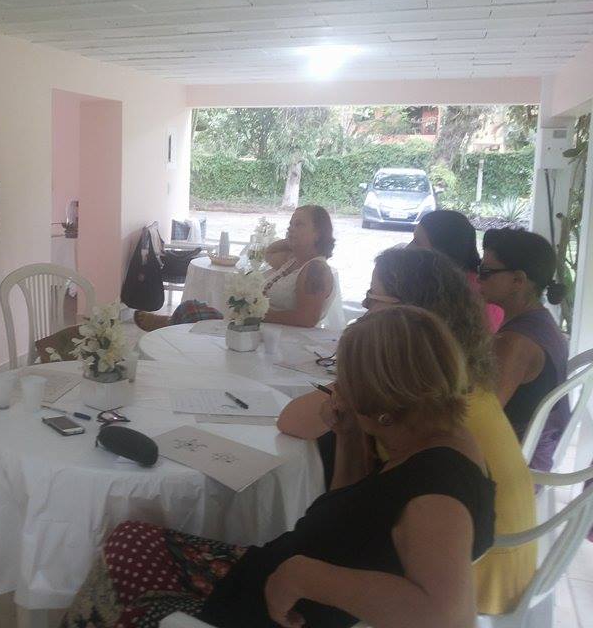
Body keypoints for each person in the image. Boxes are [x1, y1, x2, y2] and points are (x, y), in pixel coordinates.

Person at [61, 306, 495, 628]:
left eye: (344, 382)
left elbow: (449, 619)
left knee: (126, 556)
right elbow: (355, 516)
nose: (337, 390)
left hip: (275, 610)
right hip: (282, 576)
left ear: (382, 407)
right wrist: (348, 436)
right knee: (131, 536)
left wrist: (305, 576)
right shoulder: (439, 434)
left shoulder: (436, 496)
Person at [277, 247, 535, 614]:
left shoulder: (415, 408)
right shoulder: (452, 383)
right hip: (504, 556)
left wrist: (300, 575)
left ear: (406, 315)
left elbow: (291, 421)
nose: (363, 310)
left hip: (474, 575)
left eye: (372, 299)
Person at [134, 205, 336, 331]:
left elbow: (307, 319)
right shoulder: (291, 260)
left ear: (318, 233)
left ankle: (168, 325)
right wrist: (293, 241)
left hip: (276, 333)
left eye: (299, 225)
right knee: (192, 307)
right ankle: (170, 323)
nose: (291, 229)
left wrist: (255, 316)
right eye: (290, 224)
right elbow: (269, 252)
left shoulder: (316, 270)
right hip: (258, 325)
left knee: (194, 314)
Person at [479, 228, 568, 471]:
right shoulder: (541, 319)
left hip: (517, 461)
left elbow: (483, 415)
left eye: (486, 272)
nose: (478, 279)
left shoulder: (515, 342)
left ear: (518, 280)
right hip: (539, 447)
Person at [410, 209, 504, 331]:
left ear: (442, 250)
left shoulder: (477, 295)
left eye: (417, 242)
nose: (409, 247)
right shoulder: (437, 280)